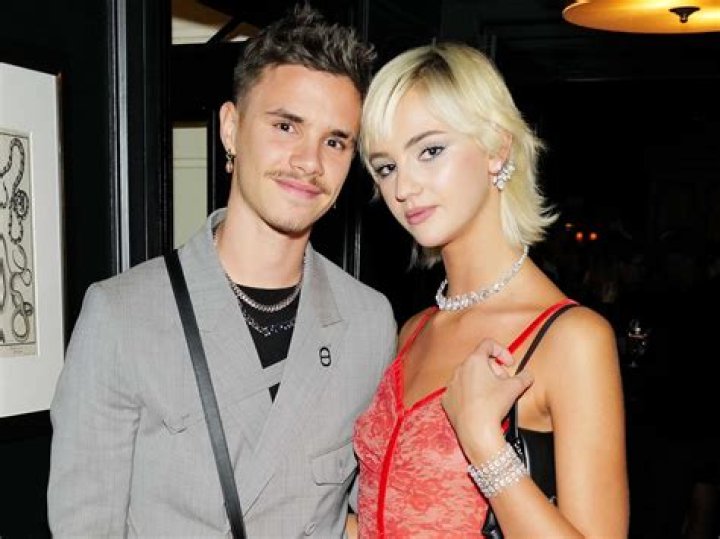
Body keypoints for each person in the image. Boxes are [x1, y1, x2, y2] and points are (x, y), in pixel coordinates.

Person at [47, 5, 396, 536]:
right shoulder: (122, 315)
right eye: (286, 126)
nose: (309, 161)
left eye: (335, 141)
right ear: (231, 128)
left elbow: (371, 514)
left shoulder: (368, 323)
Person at [353, 43, 629, 537]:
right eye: (386, 166)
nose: (403, 188)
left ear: (497, 148)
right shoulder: (413, 331)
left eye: (430, 151)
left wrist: (483, 441)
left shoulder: (572, 339)